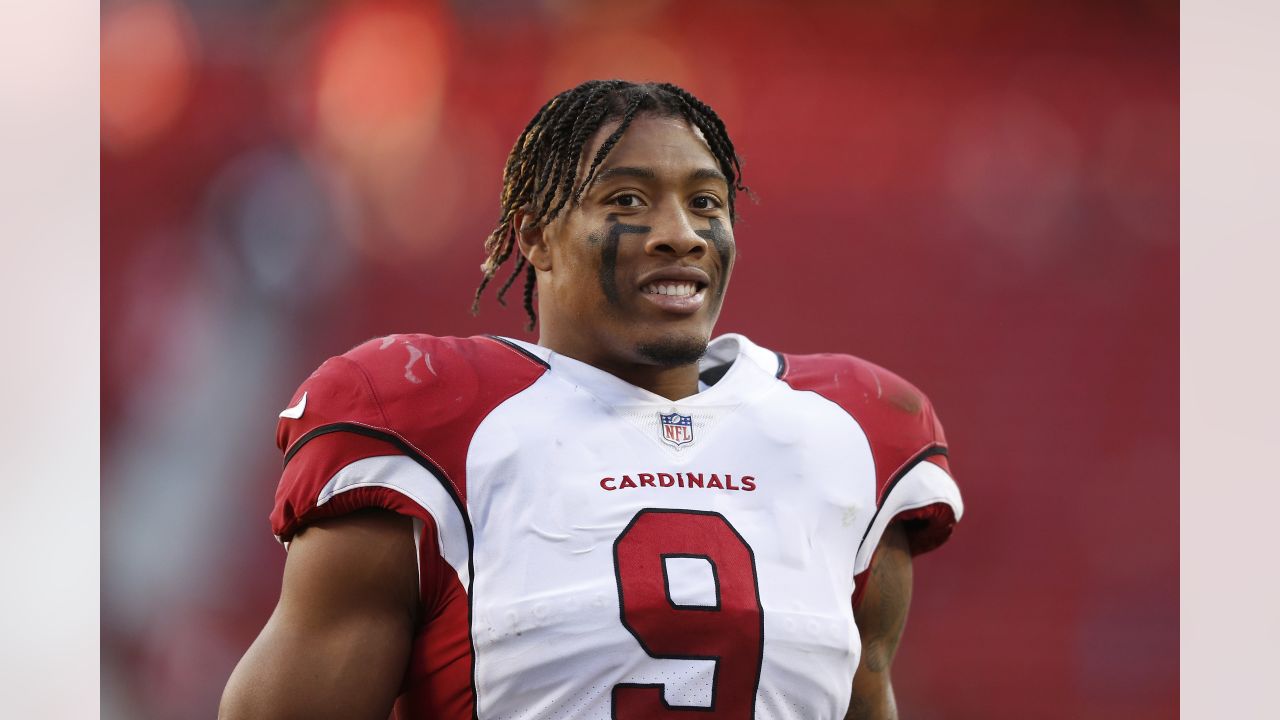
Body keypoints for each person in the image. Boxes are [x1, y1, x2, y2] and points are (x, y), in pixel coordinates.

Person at [220, 80, 963, 720]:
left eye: (706, 201)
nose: (682, 235)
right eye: (629, 199)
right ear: (536, 236)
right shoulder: (432, 425)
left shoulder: (847, 434)